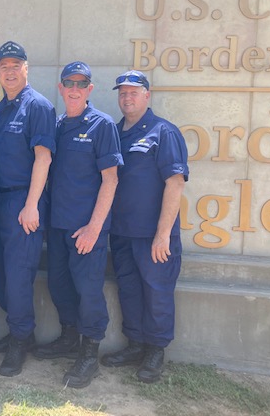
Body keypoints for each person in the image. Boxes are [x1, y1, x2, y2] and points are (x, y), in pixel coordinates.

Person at [34, 62, 123, 388]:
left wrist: (94, 227)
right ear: (60, 88)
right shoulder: (56, 125)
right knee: (59, 286)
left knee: (88, 292)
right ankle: (69, 337)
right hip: (57, 227)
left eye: (81, 83)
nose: (74, 88)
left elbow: (111, 180)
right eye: (68, 83)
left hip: (86, 230)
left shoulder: (102, 125)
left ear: (89, 89)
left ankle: (89, 353)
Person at [101, 70, 189, 384]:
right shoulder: (112, 132)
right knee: (130, 290)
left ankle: (155, 350)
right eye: (122, 92)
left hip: (153, 235)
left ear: (146, 95)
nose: (127, 97)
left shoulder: (163, 132)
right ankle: (135, 344)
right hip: (121, 232)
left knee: (157, 292)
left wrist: (163, 234)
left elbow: (175, 184)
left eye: (133, 92)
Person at [0, 41, 56, 377]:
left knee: (17, 275)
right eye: (4, 66)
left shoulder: (38, 106)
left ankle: (21, 339)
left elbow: (43, 157)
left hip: (22, 202)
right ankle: (18, 330)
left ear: (26, 68)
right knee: (0, 273)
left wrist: (31, 205)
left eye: (16, 65)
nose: (10, 71)